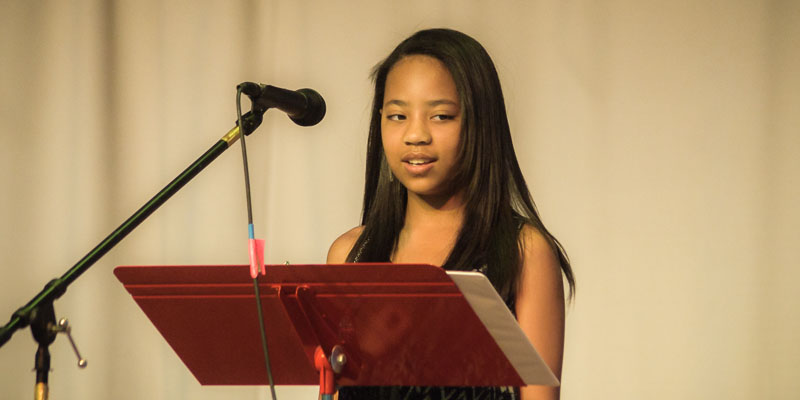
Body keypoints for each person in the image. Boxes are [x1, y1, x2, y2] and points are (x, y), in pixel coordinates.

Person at [327, 28, 575, 400]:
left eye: (441, 116)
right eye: (397, 116)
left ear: (479, 122)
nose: (415, 135)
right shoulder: (350, 254)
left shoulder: (523, 252)